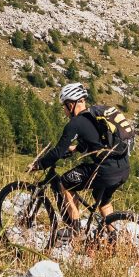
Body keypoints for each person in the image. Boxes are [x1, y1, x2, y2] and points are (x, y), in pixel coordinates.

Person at [33, 81, 129, 225]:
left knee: (65, 182)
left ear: (70, 105)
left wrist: (38, 164)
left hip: (106, 171)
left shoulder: (75, 123)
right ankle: (113, 238)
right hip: (124, 168)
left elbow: (57, 152)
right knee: (102, 200)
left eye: (64, 106)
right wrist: (76, 148)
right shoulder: (93, 116)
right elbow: (96, 141)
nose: (64, 111)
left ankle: (75, 230)